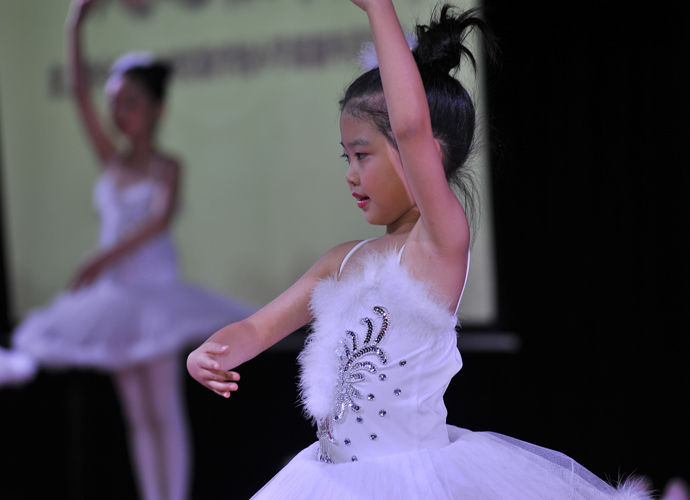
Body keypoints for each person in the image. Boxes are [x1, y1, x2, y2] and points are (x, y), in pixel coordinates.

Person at [187, 1, 651, 499]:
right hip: (327, 479)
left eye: (362, 155)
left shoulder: (438, 246)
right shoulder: (343, 261)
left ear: (428, 153)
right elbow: (258, 328)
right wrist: (210, 353)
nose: (350, 174)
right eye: (346, 157)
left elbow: (410, 127)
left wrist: (378, 8)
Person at [0, 1, 253, 499]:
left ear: (157, 108)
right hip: (117, 300)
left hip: (155, 299)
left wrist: (100, 258)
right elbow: (78, 93)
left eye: (131, 101)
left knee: (163, 411)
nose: (119, 111)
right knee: (138, 416)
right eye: (115, 101)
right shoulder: (111, 162)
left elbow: (157, 221)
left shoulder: (167, 167)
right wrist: (74, 24)